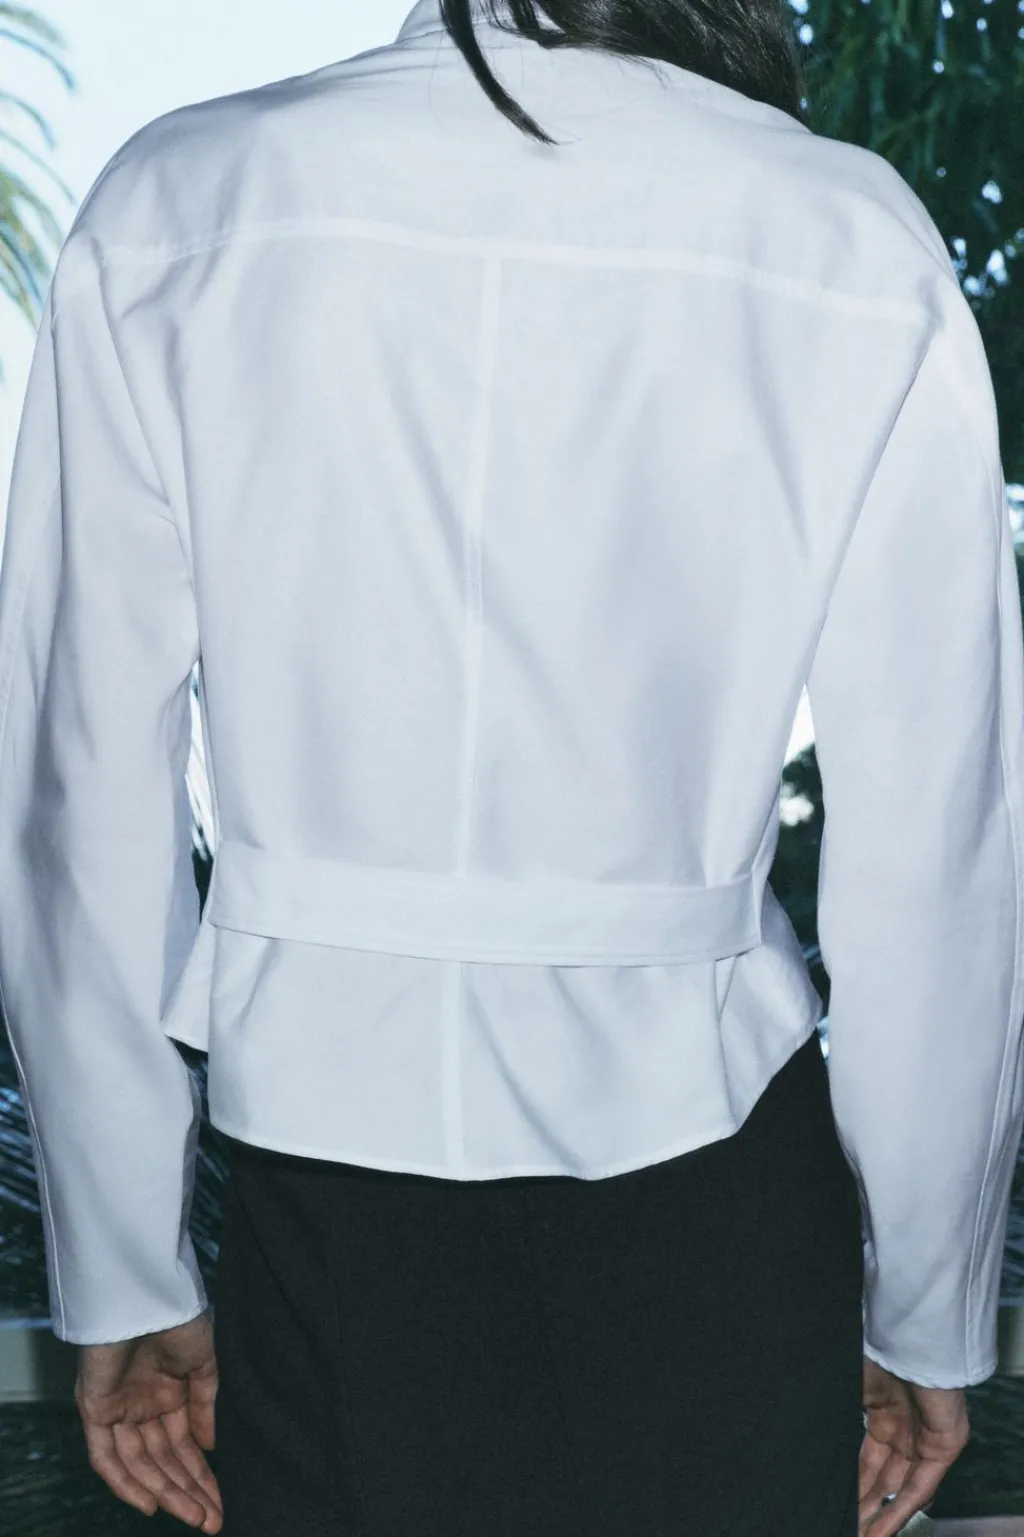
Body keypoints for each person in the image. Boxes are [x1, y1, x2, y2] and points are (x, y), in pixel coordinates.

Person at [0, 0, 1020, 1532]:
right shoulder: (841, 232)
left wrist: (125, 1265)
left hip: (323, 1213)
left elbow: (78, 799)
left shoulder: (179, 201)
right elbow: (937, 854)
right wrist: (927, 1305)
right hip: (716, 1179)